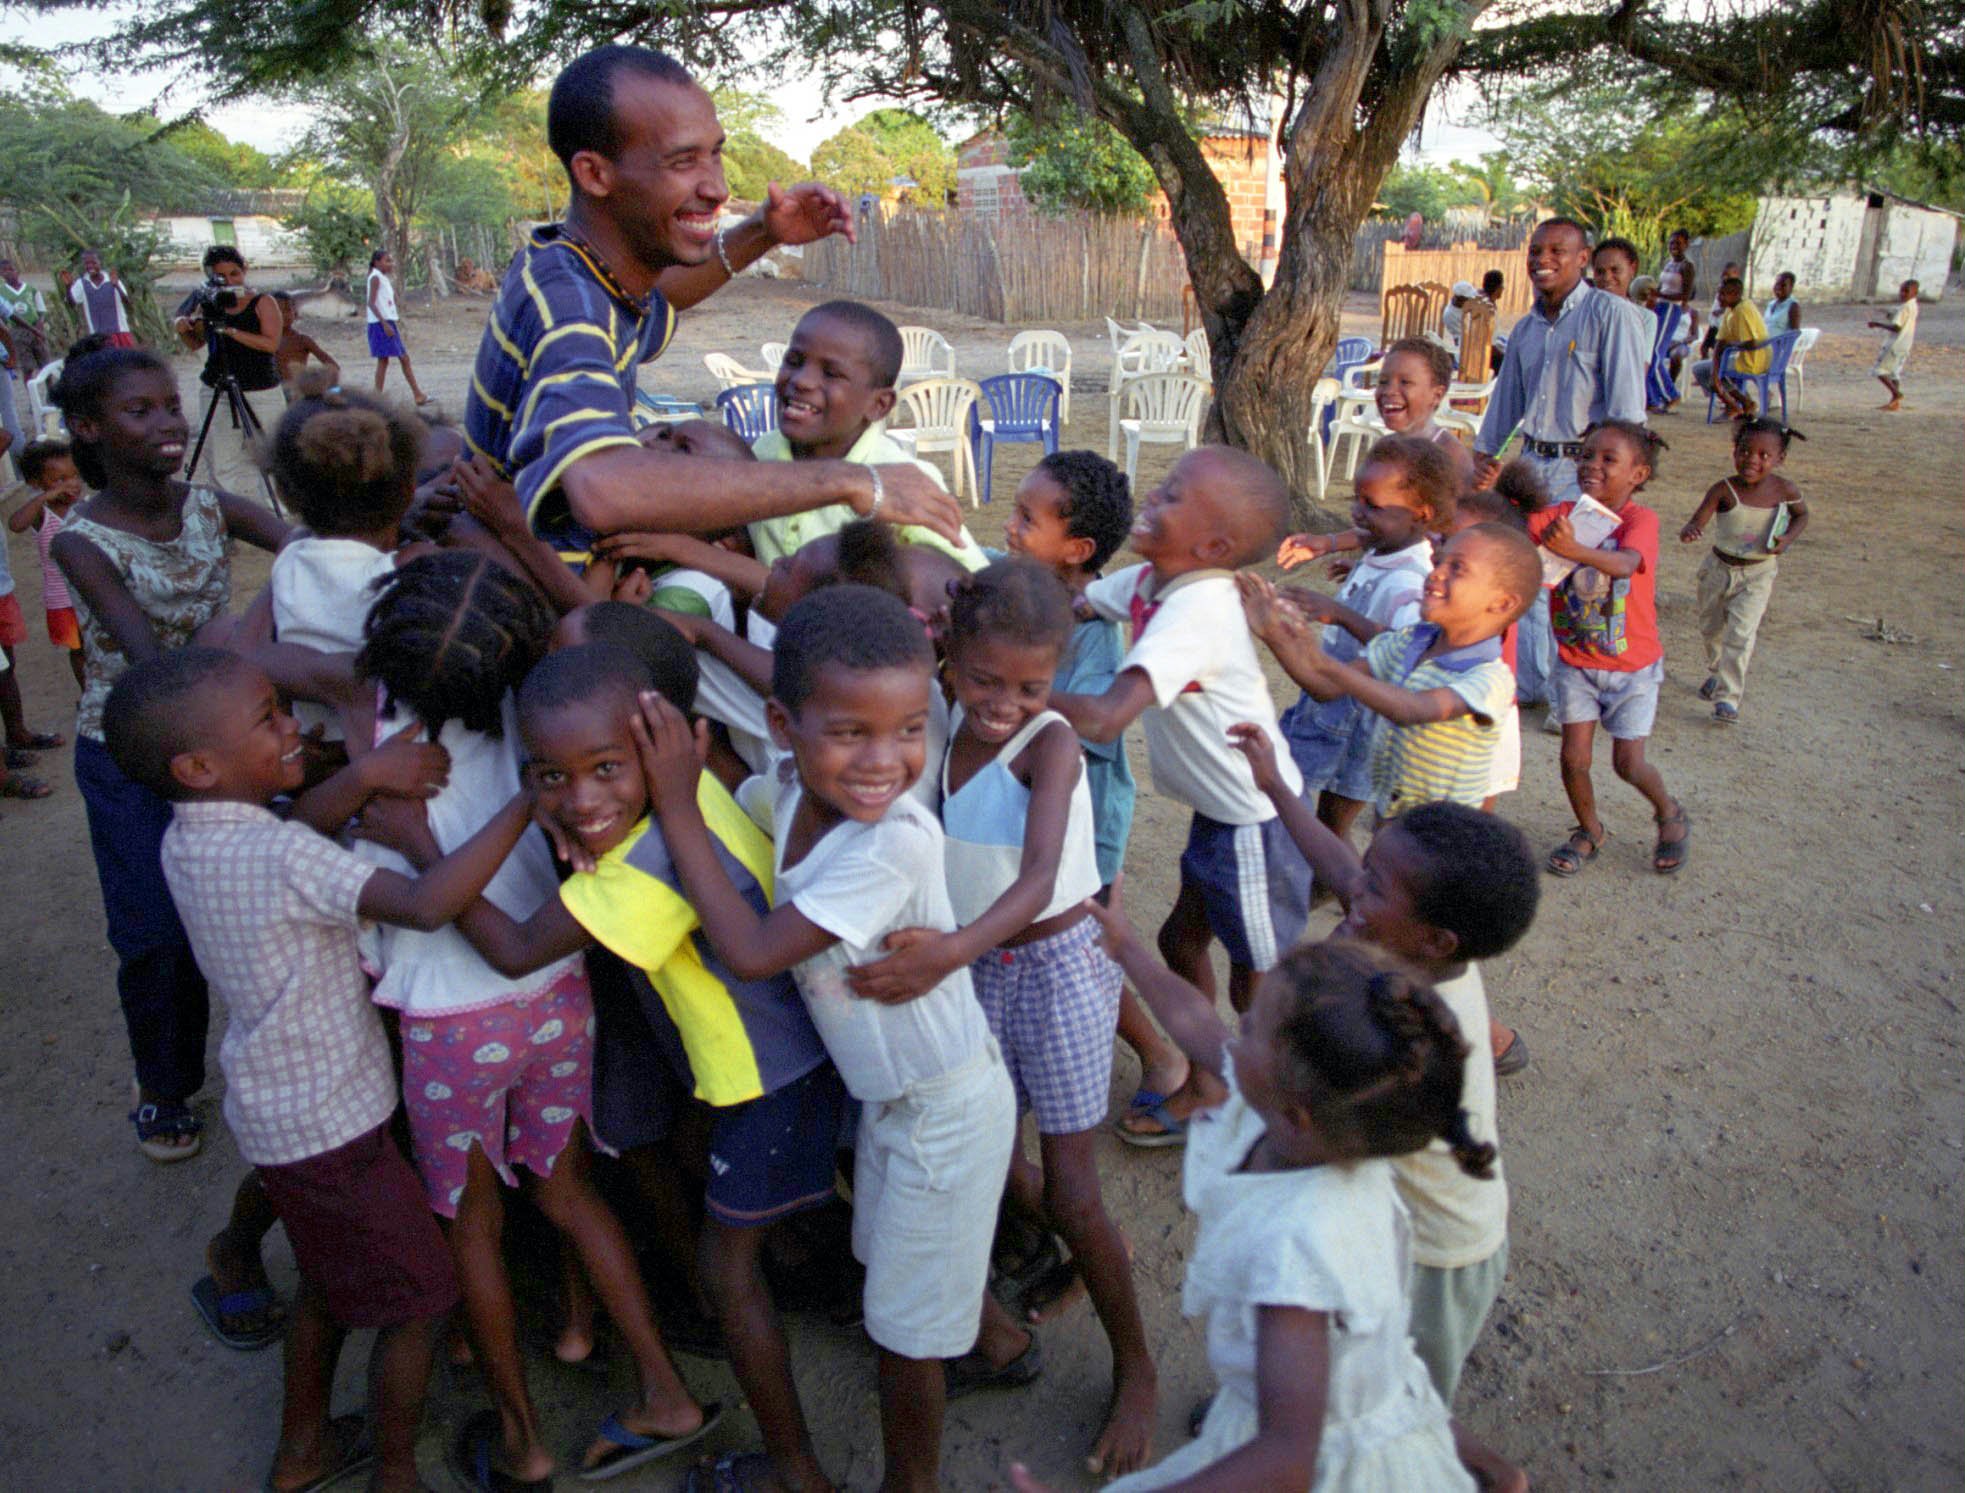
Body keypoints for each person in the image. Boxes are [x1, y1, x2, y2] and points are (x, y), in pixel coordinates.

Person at [103, 645, 540, 1493]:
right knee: (422, 1298)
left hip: (283, 1112)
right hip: (333, 1129)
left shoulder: (192, 840)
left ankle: (303, 1450)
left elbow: (298, 823)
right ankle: (398, 1471)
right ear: (199, 765)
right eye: (267, 719)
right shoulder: (279, 857)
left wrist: (361, 771)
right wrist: (527, 797)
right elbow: (422, 901)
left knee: (329, 1285)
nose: (292, 726)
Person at [637, 584, 1022, 1493]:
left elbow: (750, 948)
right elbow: (757, 831)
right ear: (782, 724)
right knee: (898, 1277)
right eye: (850, 732)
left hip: (943, 1108)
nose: (883, 761)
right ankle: (994, 1346)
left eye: (907, 730)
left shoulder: (891, 842)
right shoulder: (781, 788)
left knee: (901, 1336)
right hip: (892, 1102)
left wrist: (676, 800)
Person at [348, 557, 720, 1488]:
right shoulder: (543, 718)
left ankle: (522, 1440)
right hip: (557, 993)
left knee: (472, 1227)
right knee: (567, 1191)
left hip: (446, 1020)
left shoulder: (380, 746)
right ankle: (661, 1383)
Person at [444, 637, 844, 1492]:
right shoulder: (683, 788)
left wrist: (422, 835)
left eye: (603, 770)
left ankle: (794, 1468)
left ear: (657, 746)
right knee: (784, 1213)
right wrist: (567, 805)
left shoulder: (643, 868)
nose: (583, 799)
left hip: (767, 1084)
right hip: (788, 1060)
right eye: (549, 774)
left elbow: (516, 948)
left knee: (724, 1272)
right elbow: (602, 815)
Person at [845, 560, 1156, 1476]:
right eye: (984, 680)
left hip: (1051, 965)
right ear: (947, 654)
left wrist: (948, 949)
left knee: (1070, 1186)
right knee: (984, 1150)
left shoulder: (1049, 741)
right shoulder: (940, 724)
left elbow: (1036, 876)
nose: (1005, 702)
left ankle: (1134, 1363)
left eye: (1030, 683)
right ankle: (1013, 1295)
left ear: (1057, 671)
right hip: (981, 960)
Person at [1012, 915, 1504, 1493]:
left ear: (1295, 1110)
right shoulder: (1321, 1126)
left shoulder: (1295, 1246)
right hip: (1359, 1406)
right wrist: (1126, 949)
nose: (1236, 1026)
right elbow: (1197, 1023)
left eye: (1252, 1030)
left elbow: (1286, 1461)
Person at [462, 45, 963, 561]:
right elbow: (603, 489)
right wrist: (855, 481)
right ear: (594, 174)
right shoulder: (569, 308)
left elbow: (660, 300)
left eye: (715, 153)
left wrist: (764, 232)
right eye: (683, 161)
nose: (718, 187)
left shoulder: (591, 279)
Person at [1232, 733, 1537, 1469]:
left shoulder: (1405, 1023)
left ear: (1434, 939)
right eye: (1366, 875)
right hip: (1393, 1220)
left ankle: (1488, 1473)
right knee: (1337, 1360)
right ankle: (1284, 1411)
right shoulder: (1407, 950)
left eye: (1373, 888)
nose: (1351, 892)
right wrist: (1277, 787)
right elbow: (1339, 866)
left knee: (1391, 1409)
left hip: (1434, 1254)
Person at [49, 342, 293, 1159]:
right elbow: (148, 666)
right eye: (139, 411)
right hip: (129, 754)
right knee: (155, 932)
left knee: (257, 913)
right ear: (88, 428)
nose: (167, 422)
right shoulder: (82, 541)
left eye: (169, 404)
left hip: (221, 741)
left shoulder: (206, 505)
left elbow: (302, 544)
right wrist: (255, 656)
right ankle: (163, 1084)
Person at [1048, 447, 1309, 1143]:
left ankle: (1263, 1102)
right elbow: (1074, 601)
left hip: (1256, 819)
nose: (1151, 497)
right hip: (1218, 812)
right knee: (1180, 939)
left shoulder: (1197, 610)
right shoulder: (1149, 579)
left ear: (1214, 546)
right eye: (1161, 486)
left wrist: (1006, 687)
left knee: (1260, 975)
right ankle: (1207, 1077)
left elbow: (1105, 716)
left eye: (1170, 498)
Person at [1241, 521, 1536, 824]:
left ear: (1502, 602)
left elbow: (1411, 709)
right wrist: (1274, 634)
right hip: (1393, 822)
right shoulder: (1411, 641)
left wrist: (1322, 661)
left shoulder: (1489, 678)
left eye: (1457, 568)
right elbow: (1324, 687)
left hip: (1442, 840)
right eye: (1439, 560)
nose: (1436, 572)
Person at [1273, 435, 1459, 845]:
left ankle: (1342, 889)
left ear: (1421, 514)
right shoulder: (1386, 550)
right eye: (1358, 499)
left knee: (1315, 819)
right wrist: (1355, 565)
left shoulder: (1411, 580)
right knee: (1321, 820)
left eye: (1372, 507)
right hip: (1338, 704)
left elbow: (1408, 645)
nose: (1357, 512)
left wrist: (1339, 612)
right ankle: (1330, 885)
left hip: (1354, 718)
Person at [1529, 420, 1689, 876]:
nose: (1591, 465)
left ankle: (1669, 813)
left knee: (1629, 763)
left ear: (1638, 475)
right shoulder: (1563, 516)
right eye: (1586, 455)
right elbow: (1516, 527)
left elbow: (1625, 563)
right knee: (1573, 759)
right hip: (1576, 663)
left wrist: (1575, 550)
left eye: (1607, 459)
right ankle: (1589, 829)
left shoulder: (1641, 521)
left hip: (1632, 668)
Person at [749, 299, 983, 570]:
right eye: (794, 361)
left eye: (831, 374)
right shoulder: (762, 453)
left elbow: (970, 579)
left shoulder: (901, 481)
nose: (802, 380)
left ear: (878, 405)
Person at [1679, 417, 1809, 723]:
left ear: (1780, 459)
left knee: (1741, 633)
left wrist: (1788, 538)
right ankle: (1717, 671)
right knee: (1710, 627)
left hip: (1758, 573)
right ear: (1734, 451)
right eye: (1745, 451)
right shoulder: (1722, 490)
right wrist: (1691, 530)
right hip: (1718, 569)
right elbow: (1699, 520)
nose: (1752, 460)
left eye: (1764, 455)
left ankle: (1728, 698)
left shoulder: (1785, 490)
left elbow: (1802, 515)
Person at [7, 438, 88, 690]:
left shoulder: (85, 508)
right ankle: (88, 696)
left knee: (99, 647)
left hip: (90, 593)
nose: (71, 484)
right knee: (79, 650)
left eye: (74, 475)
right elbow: (16, 524)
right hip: (62, 600)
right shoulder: (44, 514)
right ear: (36, 483)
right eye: (59, 480)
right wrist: (44, 498)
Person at [1692, 276, 1770, 418]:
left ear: (1736, 295)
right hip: (1742, 357)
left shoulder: (1742, 311)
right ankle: (1742, 403)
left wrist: (1730, 346)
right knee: (1702, 369)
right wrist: (1715, 373)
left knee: (1702, 370)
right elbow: (1720, 342)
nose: (1719, 298)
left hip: (1753, 361)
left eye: (1723, 294)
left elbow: (1752, 343)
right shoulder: (1731, 309)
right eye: (1718, 293)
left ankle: (1733, 406)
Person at [364, 250, 430, 405]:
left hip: (387, 321)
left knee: (395, 359)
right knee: (390, 359)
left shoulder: (382, 278)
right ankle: (413, 395)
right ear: (376, 262)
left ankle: (416, 394)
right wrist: (384, 324)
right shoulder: (375, 278)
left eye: (391, 261)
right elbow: (371, 303)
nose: (391, 264)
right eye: (387, 261)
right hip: (380, 324)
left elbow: (389, 298)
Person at [271, 291, 340, 390]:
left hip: (296, 391)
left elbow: (333, 366)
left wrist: (334, 391)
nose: (284, 315)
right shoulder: (263, 340)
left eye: (288, 310)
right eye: (278, 311)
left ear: (295, 313)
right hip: (273, 391)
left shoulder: (302, 340)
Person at [67, 250, 136, 346]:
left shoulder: (111, 279)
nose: (90, 266)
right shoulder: (82, 283)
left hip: (119, 331)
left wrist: (117, 286)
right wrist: (68, 286)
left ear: (100, 263)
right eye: (87, 264)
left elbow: (128, 303)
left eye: (94, 263)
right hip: (98, 336)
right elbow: (72, 303)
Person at [1869, 278, 1919, 411]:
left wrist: (1877, 324)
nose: (1902, 294)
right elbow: (1895, 314)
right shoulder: (1913, 305)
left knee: (1879, 371)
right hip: (1905, 344)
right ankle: (1894, 403)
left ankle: (1896, 394)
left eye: (1906, 291)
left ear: (1914, 292)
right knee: (1894, 373)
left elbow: (1896, 327)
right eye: (1901, 291)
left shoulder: (1905, 307)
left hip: (1895, 344)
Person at [0, 257, 51, 373]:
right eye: (5, 271)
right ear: (1, 274)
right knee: (27, 368)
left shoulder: (31, 289)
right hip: (16, 332)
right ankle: (30, 390)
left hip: (36, 328)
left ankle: (51, 389)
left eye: (11, 269)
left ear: (17, 271)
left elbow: (41, 310)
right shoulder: (1, 292)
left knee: (46, 365)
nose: (9, 273)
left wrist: (39, 324)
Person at [1764, 270, 1803, 337]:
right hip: (1763, 344)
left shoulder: (1793, 306)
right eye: (1777, 284)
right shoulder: (1771, 304)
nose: (1778, 287)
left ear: (1791, 287)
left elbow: (1794, 333)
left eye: (1783, 285)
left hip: (1779, 346)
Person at [1442, 280, 1477, 347]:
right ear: (1460, 299)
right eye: (1469, 299)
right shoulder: (1450, 315)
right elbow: (1460, 342)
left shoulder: (1463, 307)